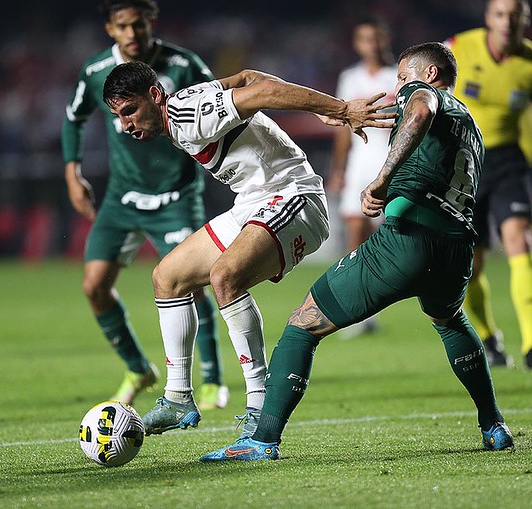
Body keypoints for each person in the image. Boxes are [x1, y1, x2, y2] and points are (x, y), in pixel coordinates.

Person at [199, 42, 514, 462]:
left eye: (402, 77)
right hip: (457, 249)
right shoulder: (470, 123)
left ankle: (261, 440)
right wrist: (337, 111)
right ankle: (493, 425)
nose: (399, 85)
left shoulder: (424, 94)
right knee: (450, 320)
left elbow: (418, 112)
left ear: (431, 74)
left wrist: (383, 180)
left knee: (301, 325)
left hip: (406, 240)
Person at [101, 60, 391, 435]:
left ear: (155, 96)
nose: (126, 125)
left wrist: (340, 109)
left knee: (225, 276)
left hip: (294, 196)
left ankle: (258, 405)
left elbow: (265, 92)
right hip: (253, 203)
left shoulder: (190, 114)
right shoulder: (180, 107)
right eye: (119, 116)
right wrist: (324, 109)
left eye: (130, 111)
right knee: (167, 278)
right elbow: (248, 78)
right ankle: (178, 398)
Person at [61, 0, 229, 409]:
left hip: (176, 194)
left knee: (193, 283)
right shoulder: (96, 71)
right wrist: (72, 172)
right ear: (109, 29)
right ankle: (138, 367)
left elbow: (222, 102)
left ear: (151, 23)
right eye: (123, 26)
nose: (132, 33)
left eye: (139, 24)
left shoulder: (183, 64)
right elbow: (73, 118)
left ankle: (211, 380)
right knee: (94, 287)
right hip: (122, 197)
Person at [445, 0, 532, 370]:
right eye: (500, 14)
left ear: (525, 19)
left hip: (508, 161)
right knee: (472, 264)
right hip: (463, 162)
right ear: (488, 18)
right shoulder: (458, 49)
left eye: (514, 15)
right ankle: (491, 339)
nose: (507, 21)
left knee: (519, 238)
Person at [328, 15, 399, 339]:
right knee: (355, 235)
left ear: (385, 39)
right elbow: (344, 128)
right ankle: (357, 312)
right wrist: (339, 169)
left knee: (388, 240)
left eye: (377, 37)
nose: (372, 44)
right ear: (357, 44)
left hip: (392, 161)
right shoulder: (350, 78)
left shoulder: (398, 74)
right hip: (360, 161)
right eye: (365, 39)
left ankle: (377, 305)